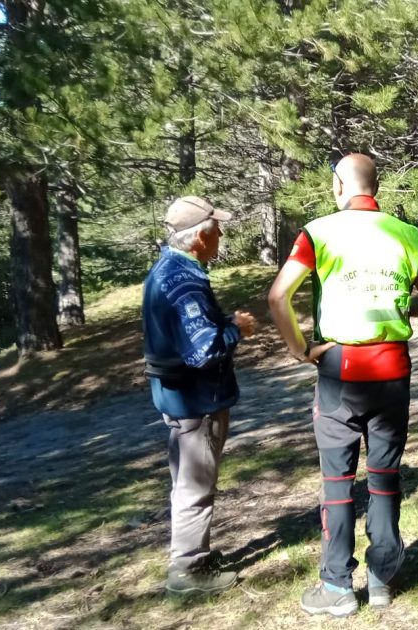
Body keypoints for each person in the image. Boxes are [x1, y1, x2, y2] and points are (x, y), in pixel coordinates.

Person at [268, 153, 418, 616]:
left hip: (339, 370)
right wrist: (387, 306)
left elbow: (277, 294)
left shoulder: (319, 231)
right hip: (392, 369)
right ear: (377, 188)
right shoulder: (406, 233)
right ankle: (383, 575)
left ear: (337, 187)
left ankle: (338, 587)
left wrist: (299, 349)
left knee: (338, 481)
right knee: (385, 477)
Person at [142, 196, 257, 594]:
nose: (221, 234)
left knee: (187, 482)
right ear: (200, 236)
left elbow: (184, 334)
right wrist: (237, 328)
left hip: (177, 398)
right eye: (217, 228)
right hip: (198, 400)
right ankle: (188, 571)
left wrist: (222, 322)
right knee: (195, 486)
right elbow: (203, 351)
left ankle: (195, 555)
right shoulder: (186, 282)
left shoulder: (167, 270)